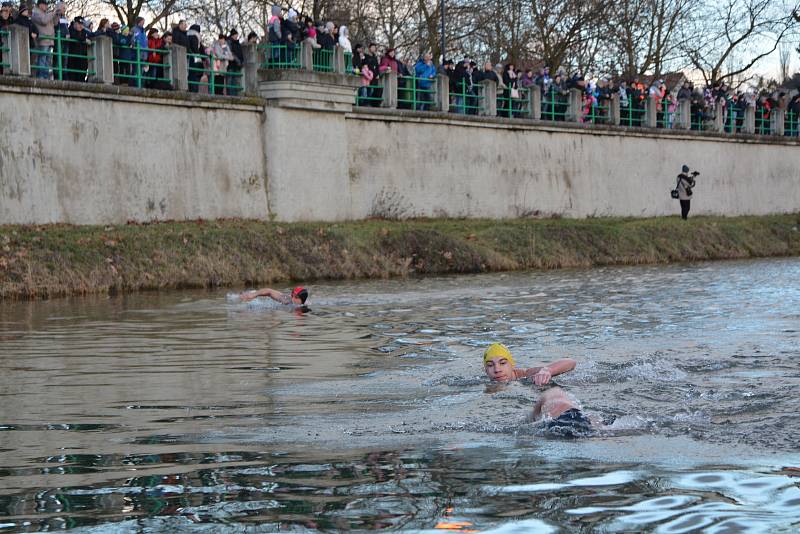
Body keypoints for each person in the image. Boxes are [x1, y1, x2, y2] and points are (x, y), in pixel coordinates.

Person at [482, 343, 591, 436]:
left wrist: (547, 370)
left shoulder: (527, 374)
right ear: (485, 370)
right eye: (490, 365)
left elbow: (571, 362)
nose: (497, 369)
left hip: (562, 409)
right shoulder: (487, 387)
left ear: (512, 364)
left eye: (502, 363)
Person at [240, 286, 310, 312]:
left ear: (302, 300)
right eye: (292, 295)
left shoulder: (306, 307)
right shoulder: (287, 300)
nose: (293, 298)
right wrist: (253, 295)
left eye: (296, 297)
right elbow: (269, 291)